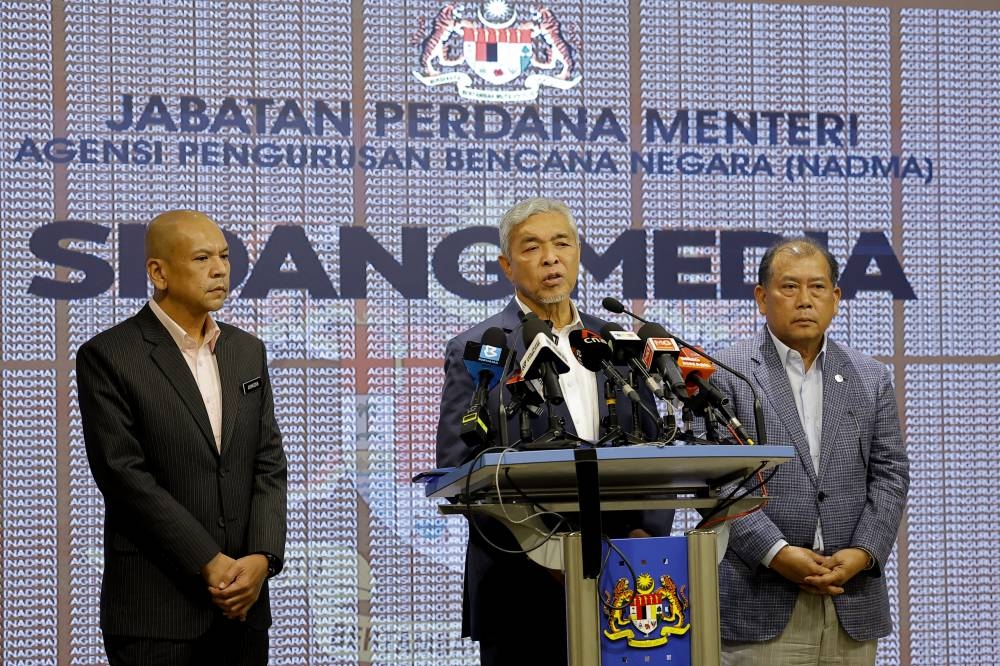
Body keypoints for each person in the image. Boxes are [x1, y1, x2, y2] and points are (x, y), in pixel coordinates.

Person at [435, 197, 672, 665]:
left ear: (578, 254)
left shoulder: (618, 344)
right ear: (507, 265)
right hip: (519, 580)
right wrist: (543, 548)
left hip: (626, 575)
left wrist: (645, 534)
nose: (550, 258)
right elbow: (460, 466)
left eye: (562, 243)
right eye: (532, 248)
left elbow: (658, 448)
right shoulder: (480, 348)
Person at [77, 210, 287, 665]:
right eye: (202, 258)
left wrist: (262, 558)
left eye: (225, 256)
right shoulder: (110, 355)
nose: (220, 269)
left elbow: (268, 462)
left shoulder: (246, 351)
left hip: (243, 609)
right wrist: (209, 561)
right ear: (159, 272)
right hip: (156, 612)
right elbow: (123, 475)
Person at [711, 237, 909, 665]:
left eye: (817, 288)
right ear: (762, 298)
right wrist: (777, 553)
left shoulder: (870, 377)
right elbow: (717, 481)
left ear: (835, 299)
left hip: (851, 597)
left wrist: (864, 551)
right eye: (789, 287)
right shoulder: (725, 373)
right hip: (761, 597)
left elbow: (890, 474)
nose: (805, 301)